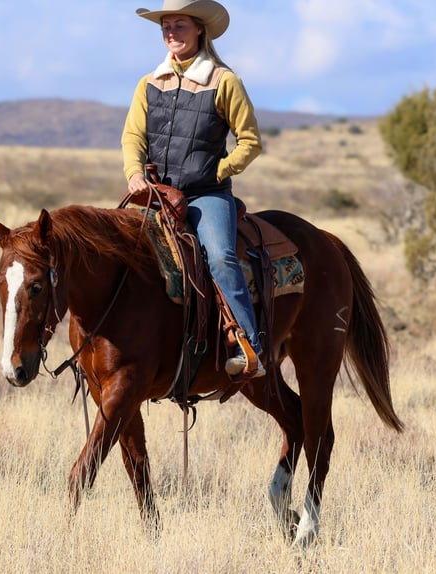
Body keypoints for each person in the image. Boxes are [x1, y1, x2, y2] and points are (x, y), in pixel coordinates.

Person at [122, 0, 266, 378]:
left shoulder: (224, 81)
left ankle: (249, 346)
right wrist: (134, 173)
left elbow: (249, 140)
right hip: (155, 194)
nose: (171, 33)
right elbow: (133, 136)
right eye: (166, 26)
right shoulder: (149, 83)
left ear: (199, 29)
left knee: (219, 257)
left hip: (206, 195)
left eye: (180, 25)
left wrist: (219, 170)